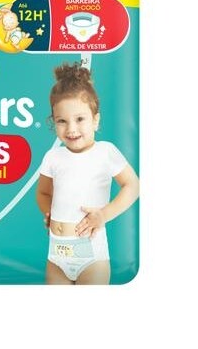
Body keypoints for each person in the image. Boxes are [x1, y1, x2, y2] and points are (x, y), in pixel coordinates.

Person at [36, 62, 139, 285]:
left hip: (91, 256)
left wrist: (103, 215)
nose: (71, 129)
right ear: (53, 122)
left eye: (80, 119)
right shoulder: (53, 157)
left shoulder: (105, 152)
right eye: (62, 121)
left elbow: (133, 185)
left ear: (96, 120)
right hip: (56, 256)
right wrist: (49, 213)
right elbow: (43, 193)